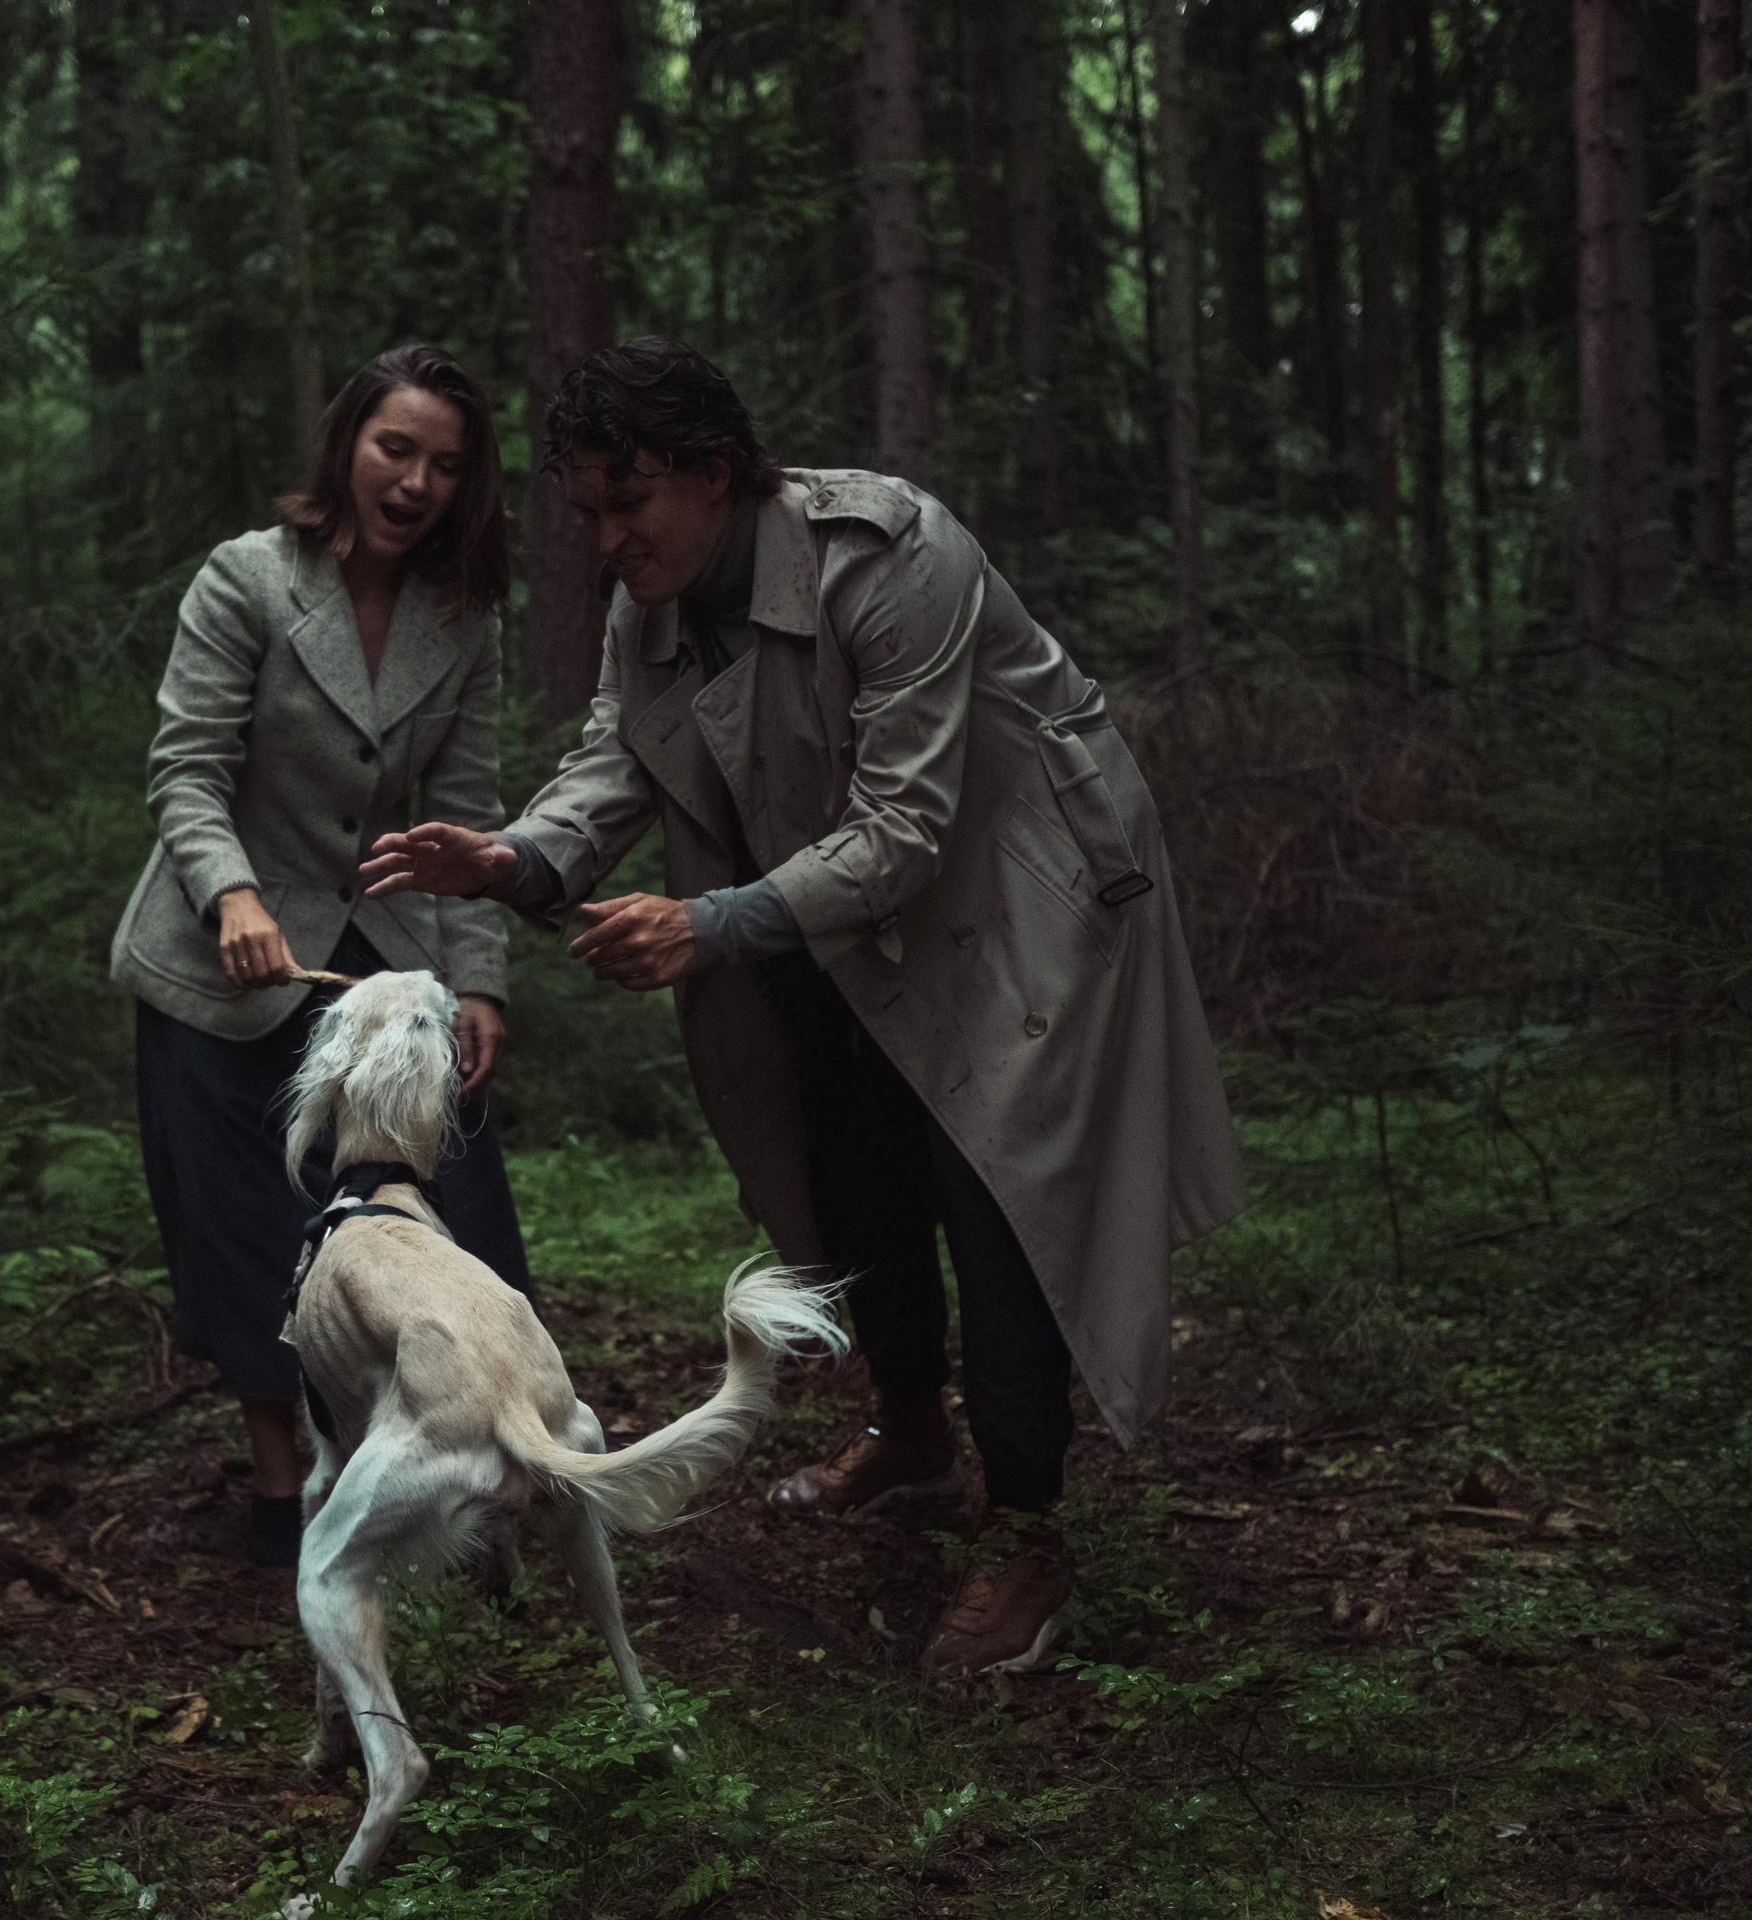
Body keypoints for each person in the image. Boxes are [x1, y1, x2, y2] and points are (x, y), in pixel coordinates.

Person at [361, 338, 1245, 1676]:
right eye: (585, 512)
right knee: (846, 1160)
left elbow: (908, 822)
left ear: (713, 475)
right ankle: (909, 1425)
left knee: (997, 1194)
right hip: (832, 913)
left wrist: (707, 925)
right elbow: (614, 758)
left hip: (1019, 903)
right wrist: (512, 859)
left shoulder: (889, 554)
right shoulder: (647, 602)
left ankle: (1029, 1530)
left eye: (629, 504)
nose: (604, 541)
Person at [108, 343, 531, 1569]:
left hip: (389, 961)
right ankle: (285, 1496)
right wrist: (232, 894)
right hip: (223, 962)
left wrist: (483, 979)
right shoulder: (248, 578)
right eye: (394, 448)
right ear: (347, 442)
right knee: (244, 1224)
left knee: (456, 1208)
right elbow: (185, 767)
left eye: (444, 465)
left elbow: (469, 807)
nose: (413, 482)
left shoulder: (462, 616)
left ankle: (479, 1481)